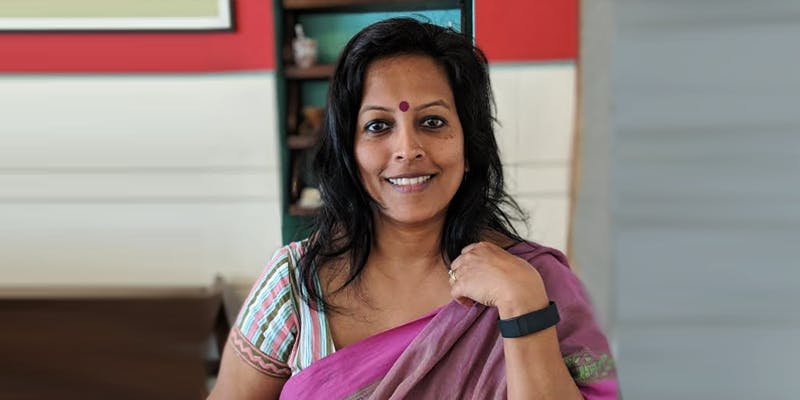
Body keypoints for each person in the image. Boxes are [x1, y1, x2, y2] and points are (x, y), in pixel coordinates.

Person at [209, 18, 619, 400]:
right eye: (378, 126)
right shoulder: (294, 285)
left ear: (469, 147)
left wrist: (522, 309)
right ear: (349, 152)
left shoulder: (536, 283)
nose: (407, 149)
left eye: (433, 122)